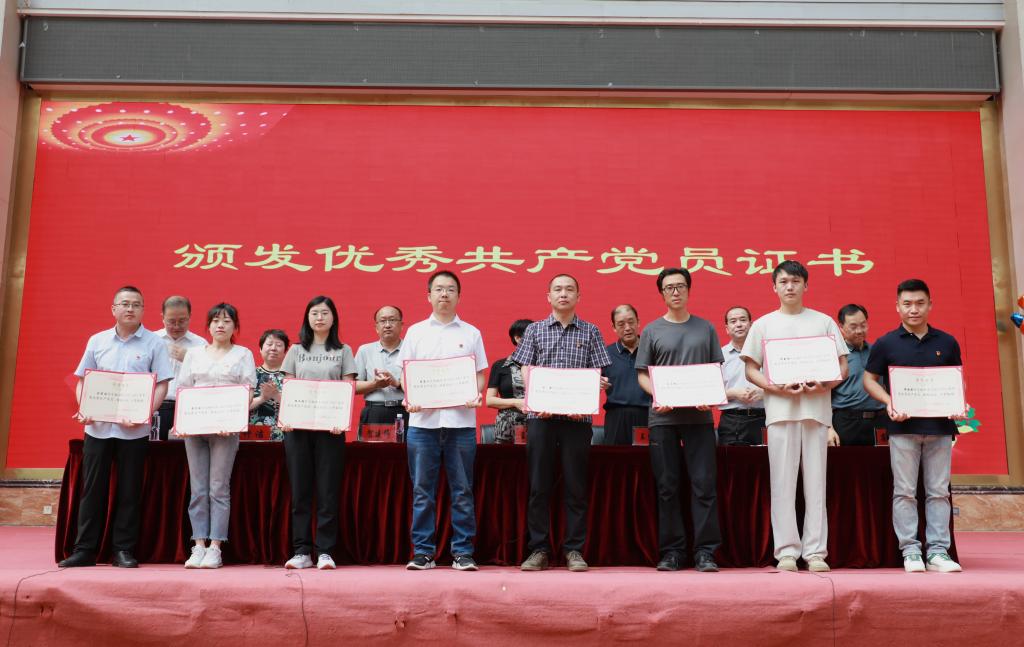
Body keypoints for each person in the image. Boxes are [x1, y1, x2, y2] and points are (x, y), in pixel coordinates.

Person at [740, 260, 848, 573]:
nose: (790, 287)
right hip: (780, 412)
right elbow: (750, 369)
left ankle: (816, 552)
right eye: (784, 281)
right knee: (782, 483)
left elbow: (842, 366)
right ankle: (786, 551)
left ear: (806, 285)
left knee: (816, 484)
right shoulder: (763, 325)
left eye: (796, 281)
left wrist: (825, 383)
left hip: (815, 411)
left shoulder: (824, 322)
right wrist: (773, 386)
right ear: (774, 287)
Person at [59, 286, 173, 568]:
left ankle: (123, 549)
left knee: (129, 490)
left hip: (134, 430)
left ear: (143, 310)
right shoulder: (97, 340)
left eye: (136, 304)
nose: (130, 309)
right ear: (113, 309)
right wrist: (84, 407)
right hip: (97, 428)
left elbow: (162, 383)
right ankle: (85, 550)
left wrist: (146, 413)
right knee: (92, 490)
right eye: (124, 303)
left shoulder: (154, 343)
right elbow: (83, 379)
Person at [863, 279, 966, 573]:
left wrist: (959, 403)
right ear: (897, 307)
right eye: (907, 304)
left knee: (938, 492)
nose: (914, 309)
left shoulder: (947, 342)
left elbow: (956, 378)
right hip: (902, 428)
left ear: (930, 305)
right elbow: (869, 379)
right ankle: (910, 551)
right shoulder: (886, 343)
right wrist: (889, 401)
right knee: (905, 492)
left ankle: (938, 552)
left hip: (940, 428)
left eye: (920, 303)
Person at [513, 274, 611, 573]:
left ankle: (573, 549)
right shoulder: (534, 330)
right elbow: (526, 369)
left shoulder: (591, 331)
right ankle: (539, 549)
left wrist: (595, 389)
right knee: (539, 486)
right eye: (558, 289)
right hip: (540, 418)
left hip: (577, 420)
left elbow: (598, 373)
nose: (563, 294)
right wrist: (535, 398)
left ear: (579, 296)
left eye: (570, 289)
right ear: (549, 296)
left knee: (576, 486)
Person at [398, 270, 488, 571]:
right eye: (438, 289)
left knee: (462, 490)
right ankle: (424, 552)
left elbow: (479, 375)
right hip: (422, 424)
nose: (444, 294)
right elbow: (406, 374)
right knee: (422, 492)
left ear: (459, 296)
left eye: (450, 289)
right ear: (429, 295)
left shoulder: (471, 333)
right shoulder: (415, 332)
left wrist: (475, 393)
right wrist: (410, 395)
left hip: (460, 423)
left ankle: (462, 552)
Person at [635, 269, 723, 572]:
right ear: (662, 293)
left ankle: (705, 552)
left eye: (680, 286)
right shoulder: (651, 330)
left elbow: (715, 371)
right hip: (663, 419)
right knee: (667, 487)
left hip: (699, 417)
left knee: (704, 485)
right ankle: (672, 551)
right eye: (669, 287)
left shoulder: (706, 328)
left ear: (688, 290)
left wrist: (710, 396)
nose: (675, 292)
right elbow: (643, 375)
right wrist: (659, 394)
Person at [175, 303, 257, 569]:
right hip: (195, 428)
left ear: (235, 326)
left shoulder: (243, 354)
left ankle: (215, 547)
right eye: (215, 321)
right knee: (198, 489)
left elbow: (247, 390)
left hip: (226, 429)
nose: (220, 325)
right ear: (208, 326)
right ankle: (198, 544)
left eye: (227, 321)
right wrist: (182, 422)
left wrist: (232, 418)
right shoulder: (194, 354)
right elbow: (183, 389)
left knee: (218, 488)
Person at [280, 296, 357, 570]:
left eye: (325, 313)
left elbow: (348, 388)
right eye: (314, 313)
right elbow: (288, 387)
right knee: (300, 491)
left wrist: (341, 419)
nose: (320, 318)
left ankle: (325, 551)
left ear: (333, 318)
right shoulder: (295, 350)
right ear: (307, 318)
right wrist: (287, 417)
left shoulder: (344, 351)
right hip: (298, 428)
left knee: (327, 492)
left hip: (330, 429)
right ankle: (301, 551)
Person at [829, 304, 887, 447]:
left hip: (878, 421)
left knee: (880, 461)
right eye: (853, 326)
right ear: (841, 327)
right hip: (846, 422)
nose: (860, 331)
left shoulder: (877, 352)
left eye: (863, 325)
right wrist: (828, 428)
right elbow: (824, 395)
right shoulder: (835, 356)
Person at [154, 296, 206, 440]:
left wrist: (189, 359)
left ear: (190, 317)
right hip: (156, 407)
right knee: (153, 450)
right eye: (171, 321)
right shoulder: (152, 340)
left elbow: (208, 378)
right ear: (162, 317)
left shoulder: (200, 344)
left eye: (182, 321)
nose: (177, 326)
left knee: (183, 451)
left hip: (187, 408)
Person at [601, 305, 651, 446]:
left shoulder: (652, 351)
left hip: (646, 416)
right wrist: (595, 382)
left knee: (646, 458)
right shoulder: (605, 354)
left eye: (631, 322)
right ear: (614, 327)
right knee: (615, 458)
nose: (627, 328)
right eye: (621, 324)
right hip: (616, 418)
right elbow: (590, 385)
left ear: (638, 322)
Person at [354, 306, 407, 438]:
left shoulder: (410, 349)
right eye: (383, 321)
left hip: (405, 411)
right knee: (373, 451)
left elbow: (420, 386)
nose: (387, 325)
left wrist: (397, 383)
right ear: (376, 327)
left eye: (392, 320)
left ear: (401, 325)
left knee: (406, 451)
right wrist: (375, 384)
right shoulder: (365, 350)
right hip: (374, 412)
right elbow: (352, 387)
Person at [717, 306, 766, 446]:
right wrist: (733, 393)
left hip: (765, 417)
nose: (738, 324)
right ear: (727, 328)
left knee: (766, 460)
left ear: (751, 324)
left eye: (743, 320)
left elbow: (783, 385)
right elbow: (710, 394)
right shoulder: (719, 356)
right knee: (733, 460)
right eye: (733, 321)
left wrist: (765, 392)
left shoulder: (767, 352)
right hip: (732, 421)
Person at [485, 319, 533, 444]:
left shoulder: (541, 366)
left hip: (537, 427)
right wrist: (516, 402)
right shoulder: (500, 365)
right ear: (518, 338)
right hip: (506, 429)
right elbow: (489, 400)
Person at [248, 329, 290, 440]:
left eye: (279, 345)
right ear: (260, 349)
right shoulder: (250, 375)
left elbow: (297, 408)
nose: (273, 348)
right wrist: (262, 398)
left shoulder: (290, 378)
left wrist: (277, 396)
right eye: (269, 344)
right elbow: (240, 408)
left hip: (283, 435)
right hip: (252, 435)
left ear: (285, 351)